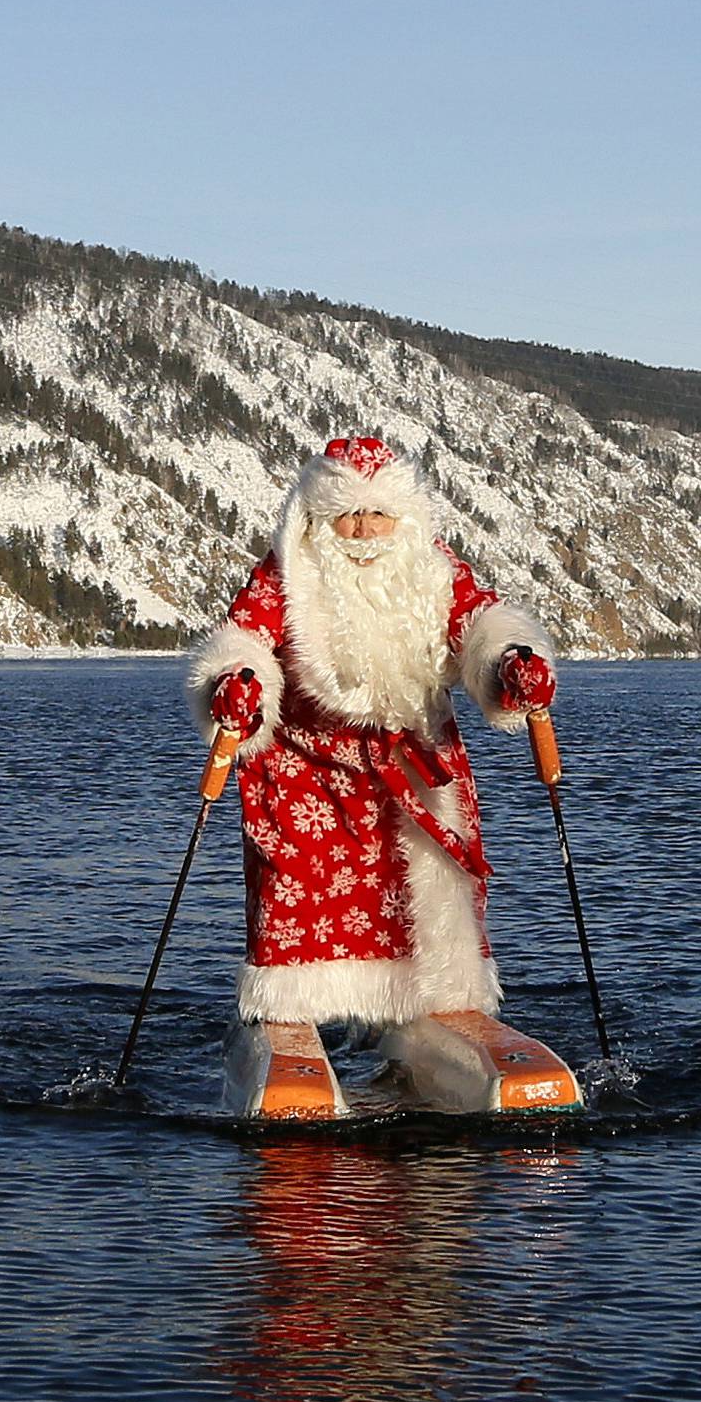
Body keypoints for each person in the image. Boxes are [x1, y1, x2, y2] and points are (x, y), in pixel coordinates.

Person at [185, 434, 557, 1034]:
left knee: (426, 905)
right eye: (349, 515)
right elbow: (245, 637)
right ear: (322, 516)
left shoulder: (437, 570)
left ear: (404, 517)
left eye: (378, 513)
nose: (364, 530)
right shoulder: (285, 574)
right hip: (307, 776)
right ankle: (289, 1026)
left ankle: (441, 1017)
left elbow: (478, 622)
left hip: (412, 769)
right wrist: (236, 680)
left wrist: (512, 662)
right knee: (298, 900)